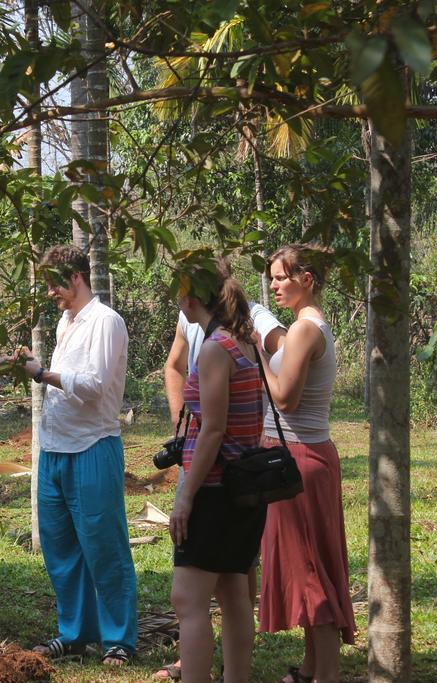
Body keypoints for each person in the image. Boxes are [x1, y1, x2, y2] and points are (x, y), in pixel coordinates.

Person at [13, 245, 138, 666]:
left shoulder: (105, 321)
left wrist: (42, 373)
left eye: (54, 283)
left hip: (92, 446)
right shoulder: (68, 322)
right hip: (55, 449)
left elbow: (96, 386)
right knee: (61, 548)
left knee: (105, 546)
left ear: (76, 277)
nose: (50, 293)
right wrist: (36, 365)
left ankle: (119, 638)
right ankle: (75, 632)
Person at [155, 294, 286, 682]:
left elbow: (213, 429)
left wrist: (185, 496)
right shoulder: (242, 339)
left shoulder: (216, 348)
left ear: (192, 297)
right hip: (242, 488)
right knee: (232, 592)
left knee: (188, 600)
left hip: (214, 489)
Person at [257, 244, 356, 683]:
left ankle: (327, 675)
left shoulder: (303, 331)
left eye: (281, 277)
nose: (274, 284)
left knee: (308, 569)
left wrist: (255, 350)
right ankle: (313, 667)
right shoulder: (307, 325)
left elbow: (285, 398)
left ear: (307, 280)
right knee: (312, 563)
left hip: (297, 459)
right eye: (273, 277)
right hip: (306, 456)